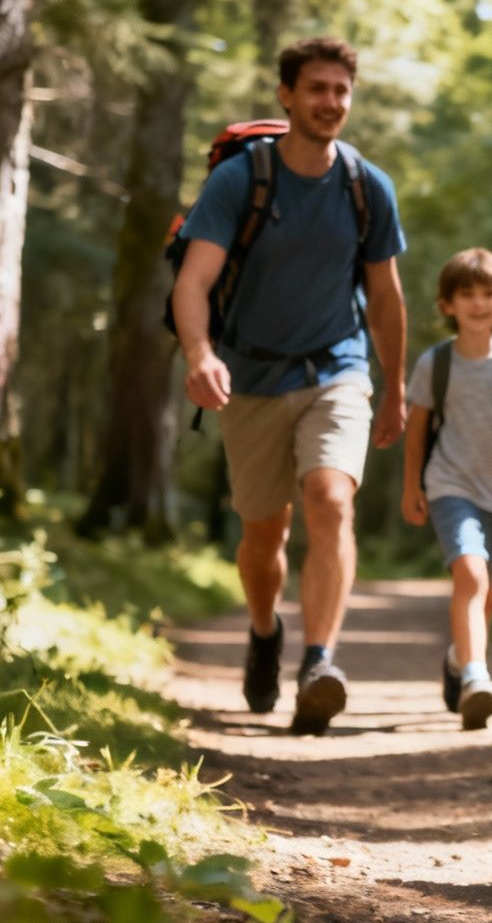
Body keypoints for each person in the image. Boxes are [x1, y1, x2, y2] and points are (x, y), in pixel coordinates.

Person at [174, 37, 407, 734]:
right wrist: (199, 354)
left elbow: (387, 298)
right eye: (316, 89)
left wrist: (394, 387)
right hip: (248, 376)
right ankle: (264, 628)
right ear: (286, 95)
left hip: (337, 367)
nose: (330, 102)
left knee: (330, 499)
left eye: (340, 90)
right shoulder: (241, 180)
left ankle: (319, 662)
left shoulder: (368, 186)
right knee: (262, 536)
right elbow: (194, 280)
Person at [400, 250, 492, 730]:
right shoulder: (434, 363)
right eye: (467, 294)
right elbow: (418, 429)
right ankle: (476, 678)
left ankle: (457, 656)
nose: (479, 303)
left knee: (489, 596)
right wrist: (412, 487)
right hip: (450, 483)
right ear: (447, 304)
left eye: (489, 294)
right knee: (471, 576)